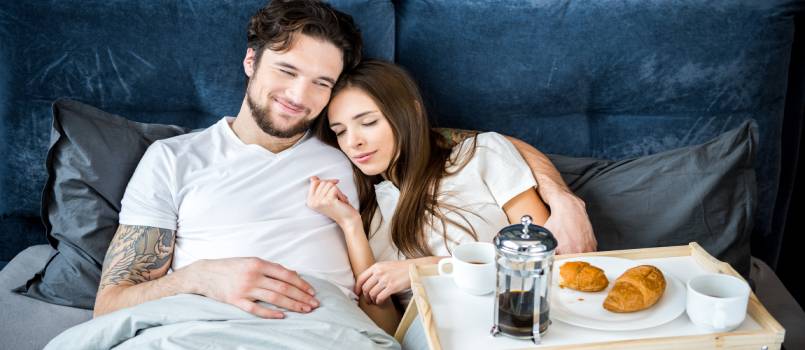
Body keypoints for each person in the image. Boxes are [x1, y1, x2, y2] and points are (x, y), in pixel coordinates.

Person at [93, 0, 594, 336]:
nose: (297, 97)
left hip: (325, 329)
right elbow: (110, 303)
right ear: (251, 62)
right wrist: (200, 278)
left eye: (321, 83)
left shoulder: (348, 155)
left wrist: (563, 197)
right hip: (201, 323)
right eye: (286, 71)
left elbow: (472, 146)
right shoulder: (173, 159)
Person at [307, 60, 582, 332]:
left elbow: (548, 263)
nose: (353, 141)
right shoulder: (369, 215)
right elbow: (386, 332)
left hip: (519, 326)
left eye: (368, 122)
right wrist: (351, 225)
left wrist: (428, 269)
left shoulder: (480, 154)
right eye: (340, 132)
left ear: (410, 113)